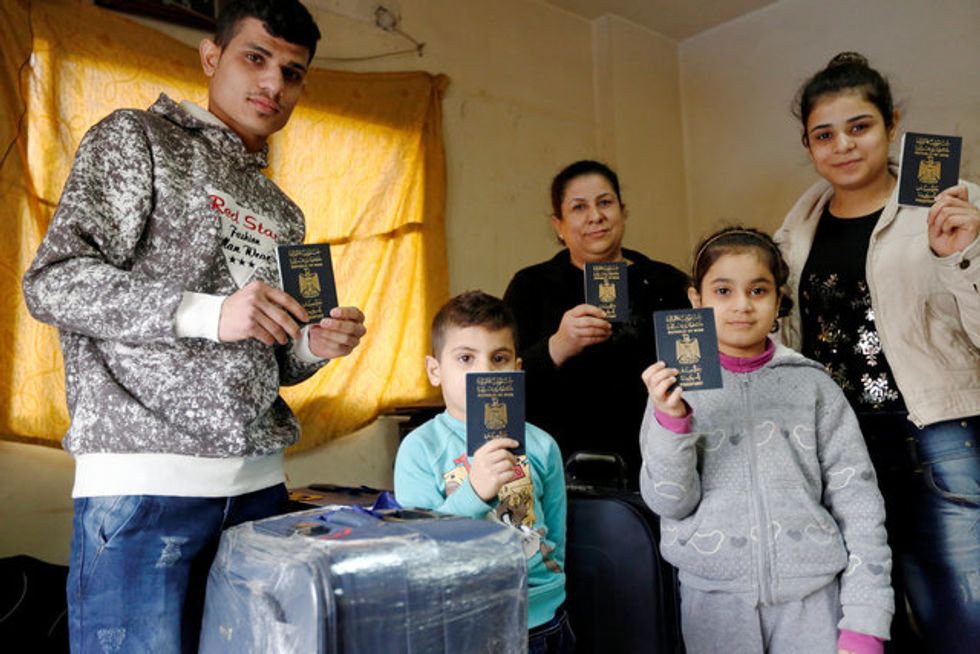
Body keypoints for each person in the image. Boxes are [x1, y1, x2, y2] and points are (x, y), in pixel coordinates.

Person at [21, 2, 367, 652]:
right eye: (255, 58)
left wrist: (312, 345)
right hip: (146, 487)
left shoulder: (282, 211)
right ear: (211, 57)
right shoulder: (136, 138)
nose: (272, 85)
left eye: (292, 73)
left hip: (260, 491)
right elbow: (56, 281)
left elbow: (273, 355)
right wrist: (212, 313)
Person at [775, 52, 980, 653]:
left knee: (960, 615)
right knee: (867, 619)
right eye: (824, 134)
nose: (842, 145)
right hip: (837, 448)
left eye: (859, 126)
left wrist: (962, 254)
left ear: (891, 124)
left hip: (936, 437)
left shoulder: (949, 206)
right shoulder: (794, 232)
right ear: (809, 145)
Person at [640, 227, 893, 654]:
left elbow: (860, 505)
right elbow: (670, 503)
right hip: (715, 607)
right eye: (723, 290)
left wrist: (865, 622)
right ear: (695, 300)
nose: (741, 305)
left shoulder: (813, 386)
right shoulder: (672, 391)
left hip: (812, 603)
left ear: (778, 299)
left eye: (758, 290)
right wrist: (673, 424)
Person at [394, 291, 573, 654]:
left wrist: (553, 590)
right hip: (465, 621)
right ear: (434, 370)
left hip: (542, 618)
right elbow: (420, 544)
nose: (485, 372)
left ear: (517, 369)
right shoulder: (420, 448)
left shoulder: (541, 445)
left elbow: (556, 531)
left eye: (499, 358)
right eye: (465, 358)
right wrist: (474, 492)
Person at [503, 160, 689, 485]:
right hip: (555, 471)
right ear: (558, 224)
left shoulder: (666, 282)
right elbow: (498, 387)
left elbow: (697, 379)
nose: (595, 216)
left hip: (652, 465)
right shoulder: (531, 286)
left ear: (622, 210)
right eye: (579, 207)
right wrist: (556, 347)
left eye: (605, 203)